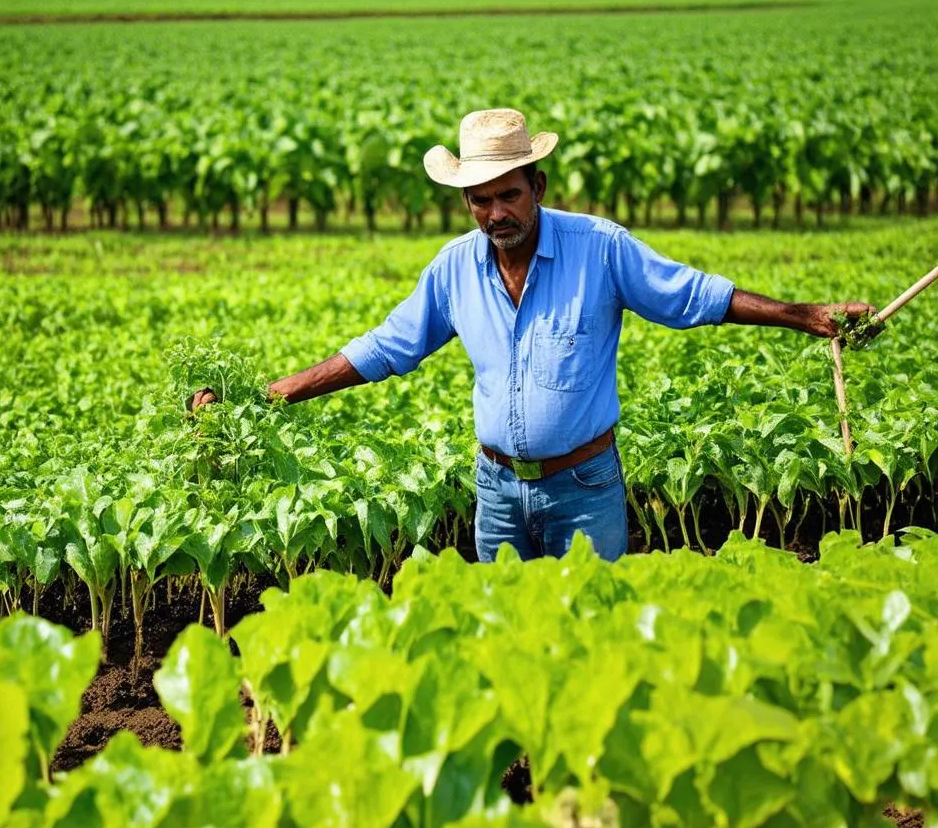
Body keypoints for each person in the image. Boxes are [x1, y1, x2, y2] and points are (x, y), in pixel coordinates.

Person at [191, 108, 873, 564]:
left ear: (538, 184)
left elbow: (689, 297)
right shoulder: (454, 267)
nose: (494, 212)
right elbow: (387, 347)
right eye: (480, 199)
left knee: (590, 635)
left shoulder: (599, 249)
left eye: (508, 194)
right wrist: (271, 394)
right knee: (504, 637)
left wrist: (803, 314)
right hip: (495, 490)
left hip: (584, 486)